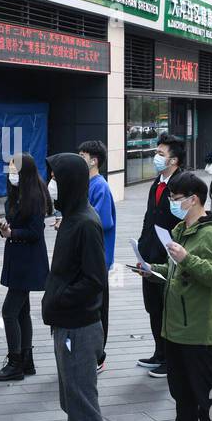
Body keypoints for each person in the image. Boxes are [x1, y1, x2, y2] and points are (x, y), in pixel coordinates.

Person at [140, 172, 212, 421]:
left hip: (198, 326)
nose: (172, 203)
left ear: (193, 199)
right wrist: (153, 270)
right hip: (175, 323)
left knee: (206, 394)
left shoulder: (211, 234)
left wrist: (187, 258)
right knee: (180, 388)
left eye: (176, 198)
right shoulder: (182, 229)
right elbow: (177, 270)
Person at [39, 153, 109, 421]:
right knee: (70, 399)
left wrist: (60, 298)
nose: (49, 182)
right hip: (65, 324)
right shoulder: (70, 218)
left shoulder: (85, 222)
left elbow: (95, 280)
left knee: (83, 402)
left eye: (54, 176)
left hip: (79, 327)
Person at [0, 153, 51, 381]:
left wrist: (11, 232)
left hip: (28, 261)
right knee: (22, 311)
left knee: (9, 312)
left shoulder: (35, 196)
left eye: (15, 171)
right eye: (10, 170)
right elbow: (14, 225)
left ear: (25, 173)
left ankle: (15, 362)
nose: (11, 175)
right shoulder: (17, 193)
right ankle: (27, 361)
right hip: (17, 257)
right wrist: (4, 228)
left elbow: (36, 232)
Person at [136, 135, 185, 377]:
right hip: (150, 254)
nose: (156, 157)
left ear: (174, 159)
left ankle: (171, 359)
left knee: (168, 309)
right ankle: (159, 352)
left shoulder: (182, 183)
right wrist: (142, 249)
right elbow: (149, 217)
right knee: (153, 306)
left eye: (161, 153)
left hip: (170, 256)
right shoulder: (158, 182)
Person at [78, 140, 115, 369]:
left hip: (98, 258)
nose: (79, 158)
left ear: (94, 160)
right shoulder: (88, 184)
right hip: (88, 256)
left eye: (83, 155)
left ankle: (98, 356)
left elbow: (101, 221)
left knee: (99, 307)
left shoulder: (100, 186)